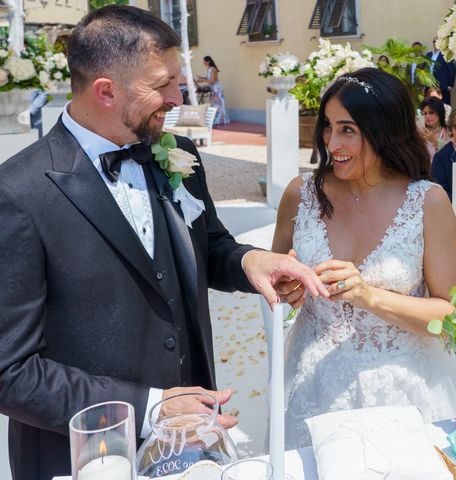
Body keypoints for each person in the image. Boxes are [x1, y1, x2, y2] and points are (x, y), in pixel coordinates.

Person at [0, 6, 327, 479]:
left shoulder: (178, 155)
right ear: (106, 91)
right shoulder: (17, 193)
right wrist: (150, 407)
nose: (178, 96)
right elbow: (10, 372)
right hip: (86, 456)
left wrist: (250, 261)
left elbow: (208, 245)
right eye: (162, 84)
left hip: (193, 442)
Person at [272, 68, 456, 449]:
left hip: (401, 391)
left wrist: (369, 296)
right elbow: (274, 276)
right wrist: (285, 288)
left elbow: (453, 317)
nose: (332, 142)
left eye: (348, 129)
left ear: (383, 131)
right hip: (313, 387)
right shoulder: (300, 195)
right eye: (328, 127)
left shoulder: (427, 202)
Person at [197, 55, 230, 125]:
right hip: (213, 89)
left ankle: (221, 120)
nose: (203, 63)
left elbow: (212, 81)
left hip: (216, 89)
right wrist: (201, 78)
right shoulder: (209, 69)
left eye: (204, 61)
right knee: (215, 105)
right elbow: (208, 78)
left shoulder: (212, 69)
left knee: (219, 105)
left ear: (208, 61)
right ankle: (218, 120)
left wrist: (202, 80)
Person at [419, 96, 450, 161]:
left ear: (439, 113)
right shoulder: (420, 133)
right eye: (425, 113)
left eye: (431, 113)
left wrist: (435, 142)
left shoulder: (449, 131)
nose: (427, 116)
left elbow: (451, 153)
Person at [427, 37, 456, 105]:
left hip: (443, 86)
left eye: (438, 41)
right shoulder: (429, 55)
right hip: (430, 86)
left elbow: (452, 69)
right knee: (432, 106)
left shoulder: (446, 54)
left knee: (444, 106)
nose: (436, 43)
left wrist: (450, 84)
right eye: (434, 41)